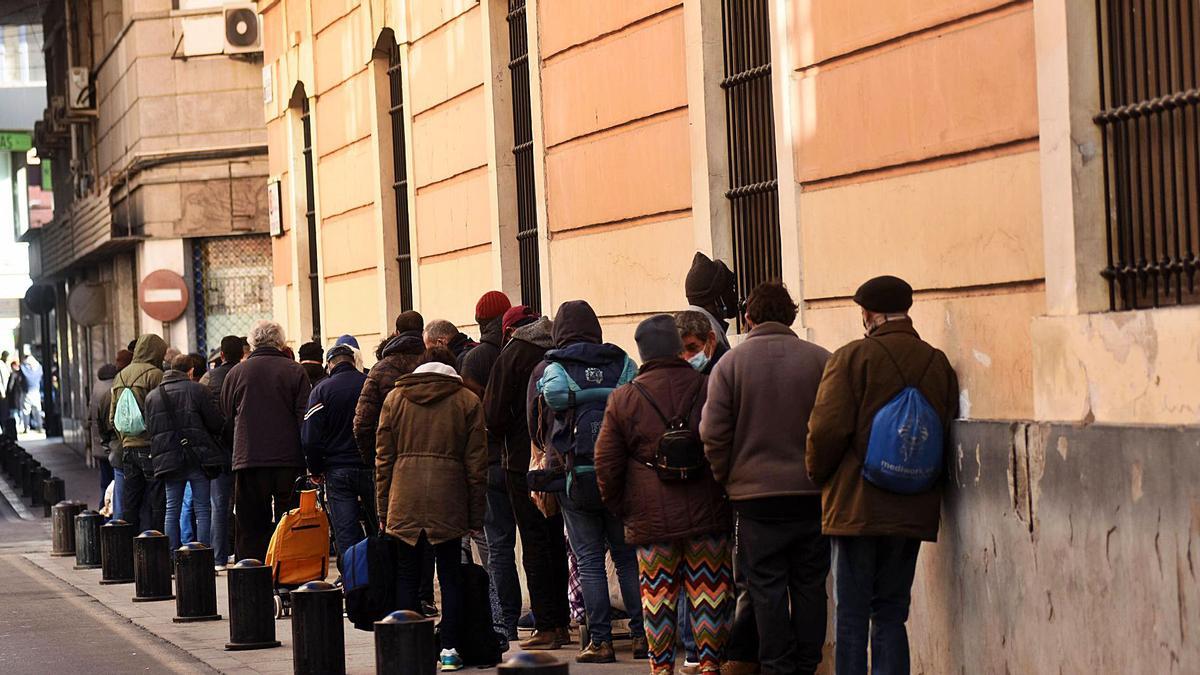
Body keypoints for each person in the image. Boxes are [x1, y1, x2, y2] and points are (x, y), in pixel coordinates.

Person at [805, 276, 958, 675]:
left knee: (852, 615)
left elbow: (826, 430)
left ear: (868, 315)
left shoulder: (852, 358)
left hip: (857, 507)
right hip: (912, 505)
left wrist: (818, 475)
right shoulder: (936, 361)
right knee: (891, 613)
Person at [700, 282, 831, 675]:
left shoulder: (730, 365)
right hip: (810, 495)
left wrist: (728, 478)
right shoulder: (822, 361)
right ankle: (808, 664)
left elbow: (712, 433)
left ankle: (777, 666)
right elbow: (836, 427)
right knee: (810, 586)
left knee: (766, 590)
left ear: (748, 318)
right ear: (791, 316)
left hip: (754, 501)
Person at [595, 315, 733, 674]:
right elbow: (725, 443)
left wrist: (623, 507)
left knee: (657, 599)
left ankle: (661, 669)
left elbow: (606, 463)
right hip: (707, 513)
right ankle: (708, 667)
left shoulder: (625, 398)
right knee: (709, 595)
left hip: (650, 520)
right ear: (676, 346)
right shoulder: (708, 387)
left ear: (642, 352)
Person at [532, 300, 645, 663]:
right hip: (618, 476)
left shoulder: (552, 368)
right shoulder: (621, 363)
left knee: (589, 561)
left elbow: (540, 428)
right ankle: (643, 636)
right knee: (627, 560)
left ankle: (600, 642)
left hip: (574, 478)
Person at [375, 347, 487, 672]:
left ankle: (409, 648)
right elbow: (476, 465)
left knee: (407, 573)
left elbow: (383, 460)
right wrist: (475, 514)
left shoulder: (395, 399)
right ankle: (450, 649)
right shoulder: (467, 401)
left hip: (403, 496)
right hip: (449, 497)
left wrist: (383, 509)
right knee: (450, 573)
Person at [483, 306, 570, 650]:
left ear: (509, 330)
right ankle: (562, 621)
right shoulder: (559, 346)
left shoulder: (514, 353)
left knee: (533, 542)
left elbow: (493, 413)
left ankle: (546, 625)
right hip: (560, 460)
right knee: (556, 540)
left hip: (522, 464)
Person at [457, 291, 522, 638]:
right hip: (520, 460)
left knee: (498, 546)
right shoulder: (518, 352)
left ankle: (506, 618)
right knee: (536, 540)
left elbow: (470, 416)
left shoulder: (474, 359)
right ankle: (543, 614)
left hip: (490, 462)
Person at [221, 320, 312, 561]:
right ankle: (289, 573)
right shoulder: (294, 370)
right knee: (290, 521)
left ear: (251, 343)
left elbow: (227, 415)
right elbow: (304, 419)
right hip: (288, 460)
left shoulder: (236, 373)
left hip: (249, 458)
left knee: (250, 524)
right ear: (280, 342)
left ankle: (252, 577)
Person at [302, 342, 373, 571]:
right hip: (371, 467)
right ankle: (379, 577)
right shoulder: (369, 384)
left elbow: (310, 438)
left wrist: (315, 469)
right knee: (377, 525)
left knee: (346, 529)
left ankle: (353, 580)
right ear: (353, 362)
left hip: (337, 470)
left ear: (330, 365)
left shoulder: (322, 390)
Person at [145, 354, 224, 552]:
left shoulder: (153, 396)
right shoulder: (198, 390)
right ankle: (202, 556)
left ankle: (173, 558)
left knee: (172, 509)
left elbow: (151, 430)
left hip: (169, 460)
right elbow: (215, 423)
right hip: (198, 457)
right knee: (202, 510)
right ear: (190, 371)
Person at [111, 334, 169, 534]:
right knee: (157, 499)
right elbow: (162, 412)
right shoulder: (155, 375)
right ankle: (155, 544)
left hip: (127, 448)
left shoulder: (120, 376)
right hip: (150, 446)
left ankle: (129, 547)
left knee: (131, 500)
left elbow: (113, 417)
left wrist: (126, 439)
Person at [355, 311, 425, 466]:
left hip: (393, 457)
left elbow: (362, 422)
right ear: (422, 331)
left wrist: (374, 458)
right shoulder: (434, 362)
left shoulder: (380, 369)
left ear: (397, 332)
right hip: (433, 454)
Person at [201, 336, 243, 568]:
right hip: (244, 445)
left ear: (222, 355)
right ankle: (241, 554)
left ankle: (218, 557)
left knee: (218, 504)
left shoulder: (209, 378)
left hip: (217, 447)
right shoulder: (245, 373)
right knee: (244, 503)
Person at [684, 252, 738, 353]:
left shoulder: (693, 323)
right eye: (731, 289)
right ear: (717, 297)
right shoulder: (705, 330)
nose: (734, 296)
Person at [92, 363, 120, 517]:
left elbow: (91, 418)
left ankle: (104, 512)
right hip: (113, 444)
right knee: (117, 482)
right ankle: (114, 516)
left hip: (100, 444)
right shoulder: (114, 388)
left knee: (105, 482)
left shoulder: (96, 387)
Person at [674, 310, 726, 376]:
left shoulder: (731, 369)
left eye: (692, 348)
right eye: (680, 352)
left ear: (711, 339)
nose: (686, 358)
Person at [21, 348, 44, 432]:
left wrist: (24, 362)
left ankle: (26, 427)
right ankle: (40, 426)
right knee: (37, 410)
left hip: (27, 392)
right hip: (36, 391)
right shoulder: (38, 368)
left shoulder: (24, 369)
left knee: (26, 411)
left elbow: (21, 371)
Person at [6, 360, 25, 434]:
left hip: (14, 397)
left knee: (14, 413)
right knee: (20, 412)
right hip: (20, 395)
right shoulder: (22, 373)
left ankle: (16, 428)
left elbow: (10, 387)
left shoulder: (13, 374)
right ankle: (21, 426)